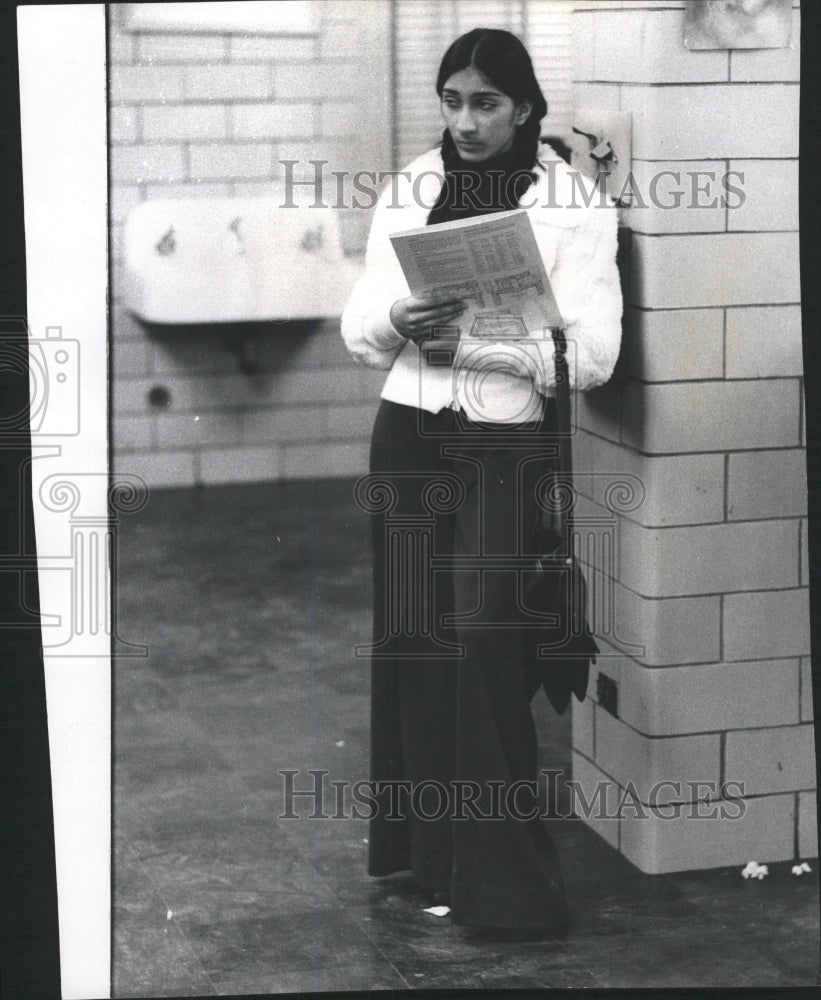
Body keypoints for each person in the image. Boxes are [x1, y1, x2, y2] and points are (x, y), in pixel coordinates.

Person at [341, 27, 622, 933]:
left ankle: (506, 890)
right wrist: (395, 312)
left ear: (526, 106)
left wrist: (475, 345)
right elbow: (358, 326)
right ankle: (432, 866)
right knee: (419, 639)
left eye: (486, 103)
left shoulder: (574, 200)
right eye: (453, 101)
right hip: (409, 435)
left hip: (505, 443)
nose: (465, 121)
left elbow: (594, 355)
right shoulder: (413, 185)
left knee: (484, 642)